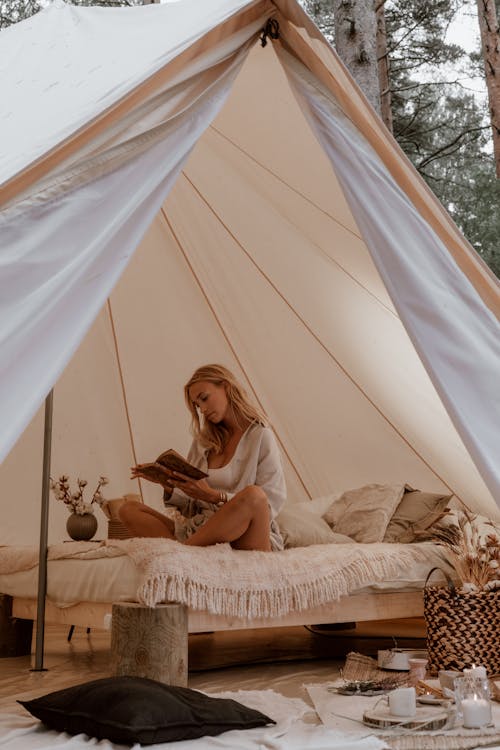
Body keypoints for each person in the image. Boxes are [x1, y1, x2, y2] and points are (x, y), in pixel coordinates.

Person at [119, 364, 286, 551]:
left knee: (254, 495)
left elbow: (268, 504)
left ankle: (184, 553)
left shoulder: (261, 436)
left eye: (204, 398)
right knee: (129, 509)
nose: (203, 410)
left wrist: (214, 496)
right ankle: (188, 553)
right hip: (202, 530)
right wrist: (170, 485)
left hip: (246, 533)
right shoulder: (203, 442)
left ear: (226, 387)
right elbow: (191, 507)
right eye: (198, 406)